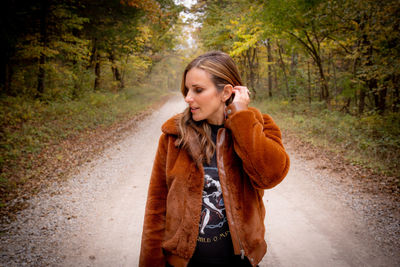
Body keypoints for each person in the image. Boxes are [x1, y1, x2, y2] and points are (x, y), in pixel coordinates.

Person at [139, 51, 290, 267]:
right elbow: (156, 208)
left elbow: (269, 177)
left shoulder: (259, 127)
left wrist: (241, 117)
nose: (188, 97)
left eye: (198, 90)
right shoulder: (174, 136)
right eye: (187, 89)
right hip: (183, 263)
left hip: (238, 261)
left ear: (226, 92)